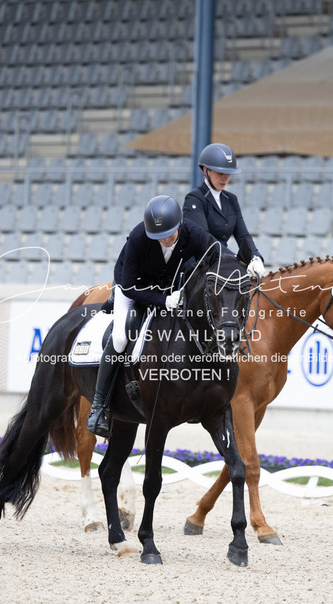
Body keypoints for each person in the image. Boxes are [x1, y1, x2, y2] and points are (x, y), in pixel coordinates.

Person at [86, 194, 228, 437]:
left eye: (169, 234)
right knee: (120, 337)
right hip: (132, 288)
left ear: (180, 224)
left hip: (168, 287)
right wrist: (163, 301)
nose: (164, 239)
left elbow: (218, 253)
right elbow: (129, 286)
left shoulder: (193, 233)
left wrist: (243, 262)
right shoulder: (139, 237)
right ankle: (98, 407)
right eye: (159, 236)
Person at [183, 142, 265, 278]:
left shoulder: (231, 199)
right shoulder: (194, 199)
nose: (225, 178)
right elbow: (203, 238)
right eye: (220, 173)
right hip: (199, 268)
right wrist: (233, 258)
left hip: (224, 265)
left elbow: (243, 236)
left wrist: (255, 257)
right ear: (206, 170)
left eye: (228, 173)